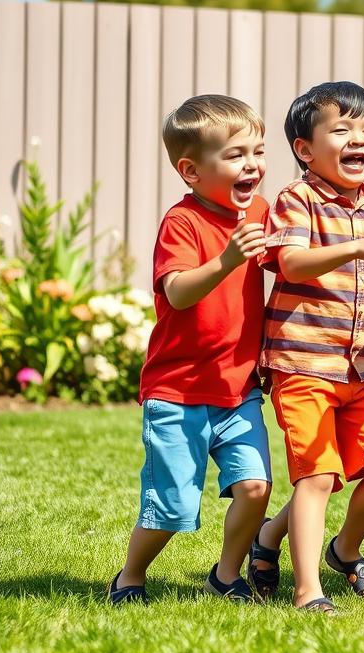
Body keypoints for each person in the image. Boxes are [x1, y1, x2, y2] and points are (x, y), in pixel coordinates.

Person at [248, 82, 364, 613]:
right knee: (317, 475)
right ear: (305, 149)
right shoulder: (298, 199)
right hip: (303, 362)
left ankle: (336, 548)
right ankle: (308, 590)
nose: (358, 139)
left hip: (359, 366)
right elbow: (291, 262)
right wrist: (356, 246)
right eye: (341, 130)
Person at [108, 95, 272, 605]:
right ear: (191, 171)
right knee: (173, 505)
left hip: (238, 388)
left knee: (255, 488)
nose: (253, 165)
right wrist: (226, 258)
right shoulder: (182, 223)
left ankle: (225, 576)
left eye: (258, 151)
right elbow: (177, 291)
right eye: (236, 155)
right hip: (177, 392)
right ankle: (130, 577)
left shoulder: (261, 211)